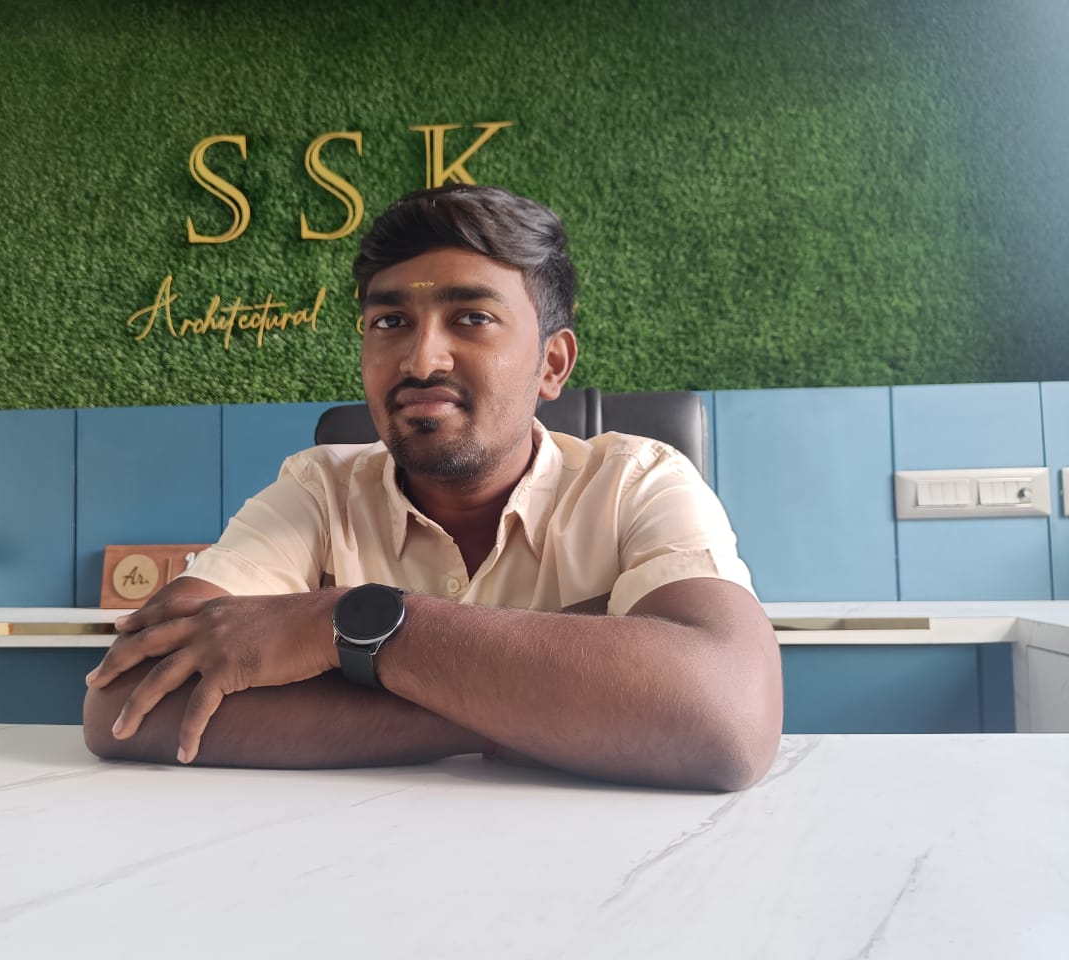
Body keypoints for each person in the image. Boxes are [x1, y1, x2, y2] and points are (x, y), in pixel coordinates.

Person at [84, 184, 782, 790]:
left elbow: (727, 715)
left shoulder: (638, 481)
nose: (421, 360)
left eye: (472, 318)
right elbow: (123, 705)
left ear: (552, 364)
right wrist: (542, 703)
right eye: (390, 322)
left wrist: (338, 625)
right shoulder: (318, 490)